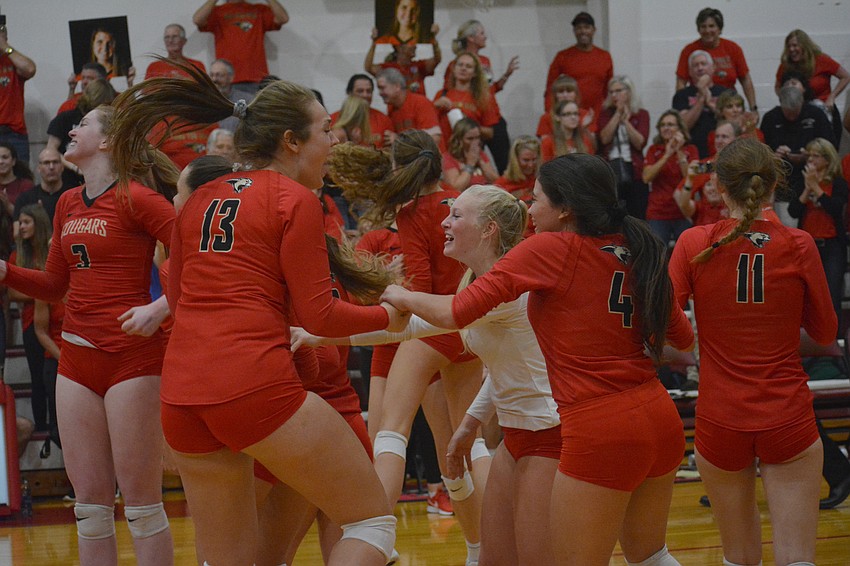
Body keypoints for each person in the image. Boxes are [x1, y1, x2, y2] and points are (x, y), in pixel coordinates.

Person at [107, 60, 404, 565]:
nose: (334, 143)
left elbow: (179, 304)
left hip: (181, 397)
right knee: (370, 521)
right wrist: (389, 319)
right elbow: (320, 319)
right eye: (326, 131)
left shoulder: (199, 196)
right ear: (290, 141)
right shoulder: (295, 198)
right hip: (253, 386)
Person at [380, 154, 695, 566]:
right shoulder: (637, 245)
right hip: (659, 417)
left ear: (566, 209)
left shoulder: (552, 247)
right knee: (651, 557)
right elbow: (683, 339)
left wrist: (399, 294)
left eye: (537, 199)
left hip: (598, 427)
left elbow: (457, 312)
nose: (529, 209)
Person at [299, 185, 561, 564]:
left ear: (488, 229)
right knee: (494, 556)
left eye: (456, 215)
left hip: (549, 433)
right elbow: (410, 329)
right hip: (518, 435)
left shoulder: (509, 280)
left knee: (539, 557)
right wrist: (318, 334)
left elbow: (445, 313)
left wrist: (402, 295)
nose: (444, 222)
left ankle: (377, 530)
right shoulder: (474, 277)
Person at [0, 105, 177, 566]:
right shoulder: (65, 203)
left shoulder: (140, 198)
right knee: (90, 511)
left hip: (132, 358)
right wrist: (6, 271)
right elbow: (56, 285)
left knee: (141, 506)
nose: (71, 130)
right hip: (76, 358)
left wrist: (160, 308)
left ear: (108, 141)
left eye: (83, 124)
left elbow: (198, 258)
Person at [669, 137, 836, 566]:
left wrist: (701, 335)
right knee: (797, 558)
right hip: (786, 412)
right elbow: (826, 332)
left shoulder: (694, 242)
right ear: (774, 184)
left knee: (738, 558)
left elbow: (667, 326)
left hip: (720, 414)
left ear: (719, 187)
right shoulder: (798, 244)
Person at [328, 133, 490, 566]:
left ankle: (374, 539)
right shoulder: (465, 199)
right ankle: (483, 550)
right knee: (461, 448)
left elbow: (416, 287)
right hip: (469, 330)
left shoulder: (411, 213)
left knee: (389, 432)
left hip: (429, 328)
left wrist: (390, 290)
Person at [444, 20, 519, 173]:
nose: (485, 37)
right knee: (473, 160)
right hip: (471, 119)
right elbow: (451, 91)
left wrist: (506, 76)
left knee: (504, 161)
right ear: (471, 38)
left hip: (492, 116)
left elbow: (489, 90)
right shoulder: (455, 64)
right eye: (482, 33)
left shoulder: (485, 61)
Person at [788, 138, 848, 318]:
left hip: (832, 245)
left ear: (827, 159)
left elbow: (836, 208)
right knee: (806, 293)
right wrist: (807, 189)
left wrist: (816, 187)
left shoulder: (838, 183)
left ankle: (834, 339)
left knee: (831, 293)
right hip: (808, 245)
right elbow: (793, 211)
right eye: (809, 155)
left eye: (816, 156)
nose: (811, 160)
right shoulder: (802, 181)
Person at [762, 85, 834, 221]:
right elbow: (761, 152)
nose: (792, 117)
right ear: (780, 104)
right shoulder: (770, 118)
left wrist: (809, 156)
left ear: (802, 103)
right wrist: (773, 156)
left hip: (813, 175)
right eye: (788, 113)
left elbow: (830, 147)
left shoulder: (816, 114)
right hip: (783, 180)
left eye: (795, 112)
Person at [9, 204, 51, 433]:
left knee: (53, 375)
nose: (21, 227)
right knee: (37, 376)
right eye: (20, 222)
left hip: (55, 321)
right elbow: (12, 292)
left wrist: (38, 290)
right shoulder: (18, 254)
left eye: (26, 222)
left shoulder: (51, 249)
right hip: (29, 324)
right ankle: (42, 426)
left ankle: (56, 425)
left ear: (38, 222)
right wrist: (43, 290)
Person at [194, 0, 288, 96]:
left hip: (258, 79)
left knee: (258, 110)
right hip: (227, 79)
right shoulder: (217, 11)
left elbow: (283, 18)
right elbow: (198, 20)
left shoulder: (259, 9)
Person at [675, 7, 757, 112]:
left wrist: (753, 108)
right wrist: (681, 107)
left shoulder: (733, 48)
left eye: (711, 26)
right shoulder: (689, 50)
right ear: (698, 29)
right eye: (703, 27)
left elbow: (745, 80)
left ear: (719, 28)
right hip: (699, 102)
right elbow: (681, 82)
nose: (707, 30)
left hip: (729, 104)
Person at [776, 29, 850, 143]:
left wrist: (832, 96)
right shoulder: (786, 65)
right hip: (799, 111)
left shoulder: (821, 59)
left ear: (804, 45)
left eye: (795, 45)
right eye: (789, 46)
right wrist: (787, 100)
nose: (792, 49)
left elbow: (845, 76)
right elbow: (778, 86)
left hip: (823, 107)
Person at [47, 78, 118, 189]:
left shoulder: (110, 121)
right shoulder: (65, 118)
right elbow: (50, 150)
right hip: (68, 179)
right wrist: (74, 167)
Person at [642, 110, 699, 245]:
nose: (666, 128)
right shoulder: (654, 150)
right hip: (658, 212)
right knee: (657, 254)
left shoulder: (690, 149)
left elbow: (691, 178)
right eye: (663, 125)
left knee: (686, 253)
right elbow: (646, 177)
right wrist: (667, 155)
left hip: (683, 211)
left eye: (670, 124)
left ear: (679, 128)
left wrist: (679, 152)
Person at [596, 75, 649, 219]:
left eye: (619, 91)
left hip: (634, 169)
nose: (614, 95)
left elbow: (640, 142)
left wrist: (626, 121)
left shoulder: (641, 114)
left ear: (629, 92)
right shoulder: (605, 114)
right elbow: (604, 139)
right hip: (611, 168)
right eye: (611, 92)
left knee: (636, 212)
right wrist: (617, 115)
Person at [544, 12, 613, 115]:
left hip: (599, 116)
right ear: (574, 31)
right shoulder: (562, 56)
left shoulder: (605, 56)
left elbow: (609, 89)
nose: (583, 31)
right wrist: (550, 114)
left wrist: (609, 114)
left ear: (594, 30)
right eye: (579, 28)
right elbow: (550, 89)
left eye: (587, 27)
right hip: (570, 116)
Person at [434, 52, 500, 143]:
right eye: (460, 65)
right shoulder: (441, 94)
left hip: (468, 151)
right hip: (443, 151)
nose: (463, 68)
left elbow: (490, 133)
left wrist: (469, 127)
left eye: (468, 66)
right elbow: (428, 122)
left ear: (475, 73)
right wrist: (435, 105)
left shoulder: (483, 98)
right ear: (454, 69)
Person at [673, 50, 727, 158]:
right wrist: (702, 97)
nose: (700, 68)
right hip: (692, 152)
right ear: (690, 72)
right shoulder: (682, 95)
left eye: (704, 64)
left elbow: (732, 122)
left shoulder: (726, 93)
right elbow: (683, 125)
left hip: (723, 151)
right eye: (695, 65)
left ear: (713, 68)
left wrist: (712, 107)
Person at [365, 24, 440, 96]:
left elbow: (437, 59)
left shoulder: (418, 66)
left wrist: (433, 39)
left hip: (419, 107)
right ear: (399, 47)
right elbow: (369, 67)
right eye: (411, 43)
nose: (415, 46)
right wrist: (374, 43)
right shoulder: (389, 68)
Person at [0, 22, 36, 164]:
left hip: (15, 133)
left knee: (22, 180)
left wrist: (5, 48)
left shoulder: (11, 61)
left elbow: (30, 69)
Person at [377, 68, 441, 145]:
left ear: (397, 86)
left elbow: (434, 138)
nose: (380, 93)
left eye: (382, 88)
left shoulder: (420, 102)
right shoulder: (391, 108)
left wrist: (399, 140)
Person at [331, 74, 395, 148]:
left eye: (369, 91)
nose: (365, 95)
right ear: (349, 93)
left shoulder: (384, 120)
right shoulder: (333, 119)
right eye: (360, 91)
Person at [13, 148, 70, 229]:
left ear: (62, 167)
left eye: (55, 162)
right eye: (46, 163)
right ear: (38, 168)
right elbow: (17, 233)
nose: (51, 167)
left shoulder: (73, 196)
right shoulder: (25, 199)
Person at [442, 118, 498, 192]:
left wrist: (480, 162)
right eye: (470, 139)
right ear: (459, 139)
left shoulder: (481, 154)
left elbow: (497, 182)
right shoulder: (448, 158)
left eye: (477, 138)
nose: (475, 142)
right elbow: (456, 188)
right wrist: (470, 164)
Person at [707, 90, 763, 155]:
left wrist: (750, 131)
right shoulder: (715, 135)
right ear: (721, 111)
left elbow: (760, 154)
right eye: (729, 106)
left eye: (738, 106)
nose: (735, 110)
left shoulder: (755, 132)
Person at [494, 135, 540, 203]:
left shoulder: (542, 181)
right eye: (526, 160)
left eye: (534, 159)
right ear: (515, 159)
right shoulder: (501, 185)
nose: (530, 165)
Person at [0, 141, 34, 216]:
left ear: (13, 161)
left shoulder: (26, 185)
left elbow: (29, 218)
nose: (1, 161)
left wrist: (7, 205)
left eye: (5, 157)